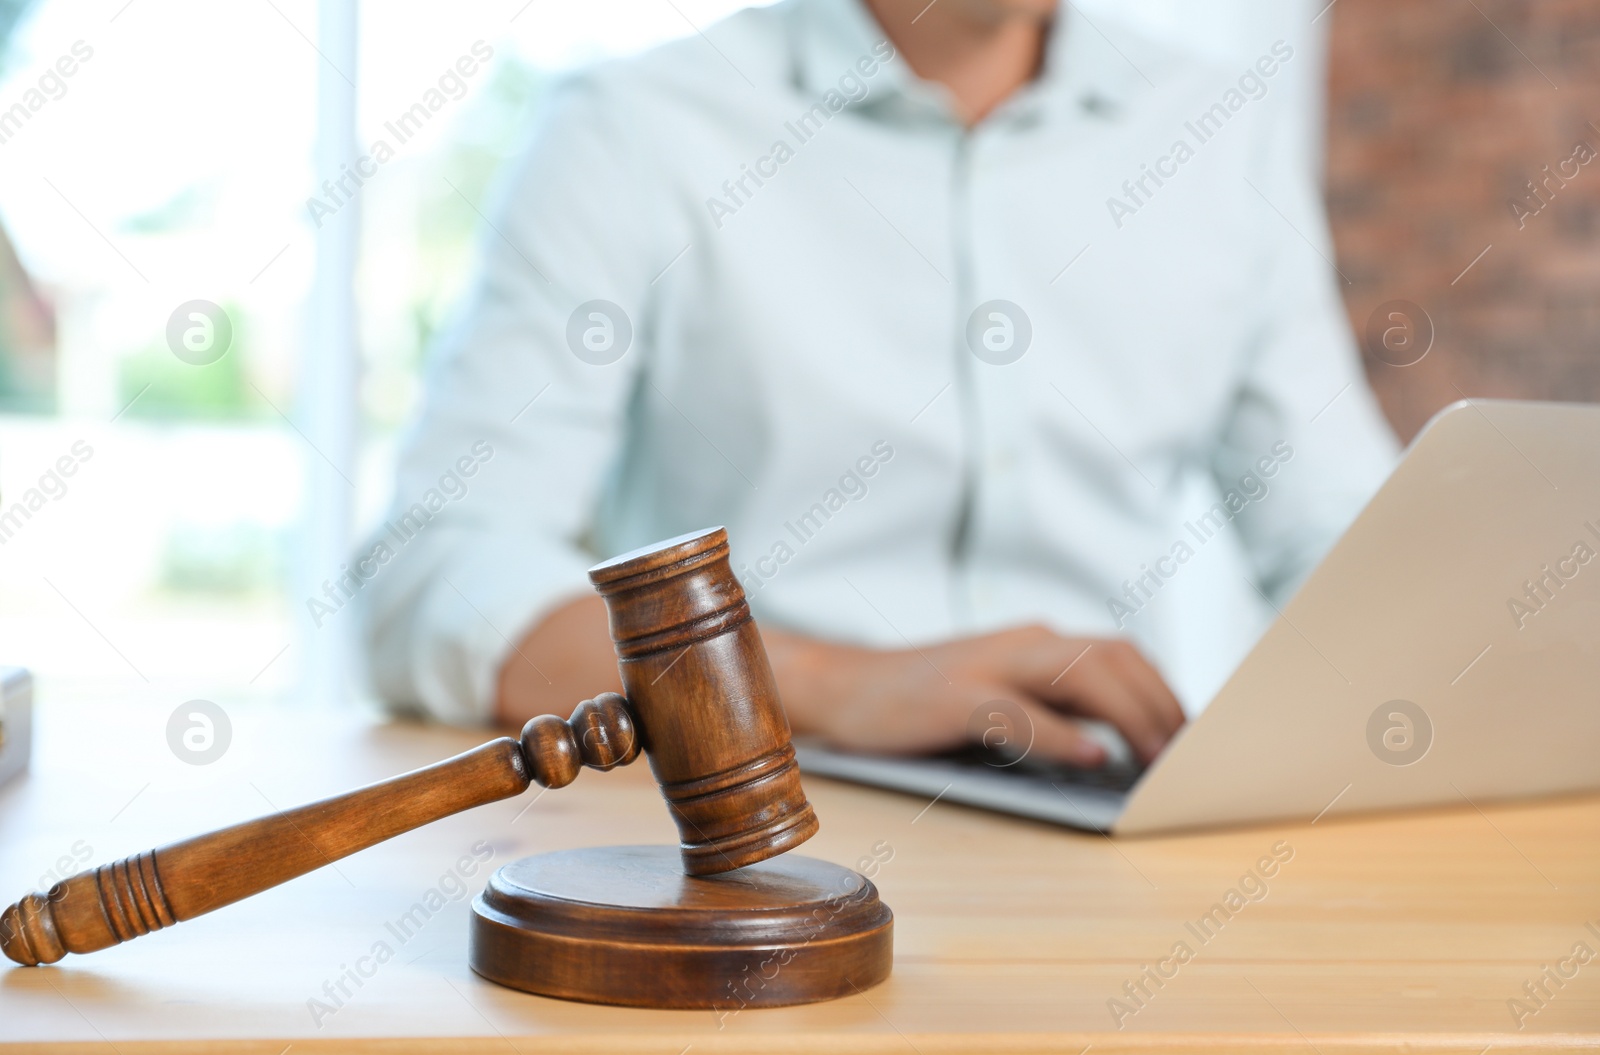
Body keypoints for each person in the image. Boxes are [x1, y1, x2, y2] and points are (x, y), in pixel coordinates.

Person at [358, 0, 1397, 768]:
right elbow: (429, 575)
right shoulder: (636, 129)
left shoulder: (1217, 132)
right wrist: (829, 685)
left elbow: (1348, 544)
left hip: (1100, 822)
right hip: (755, 838)